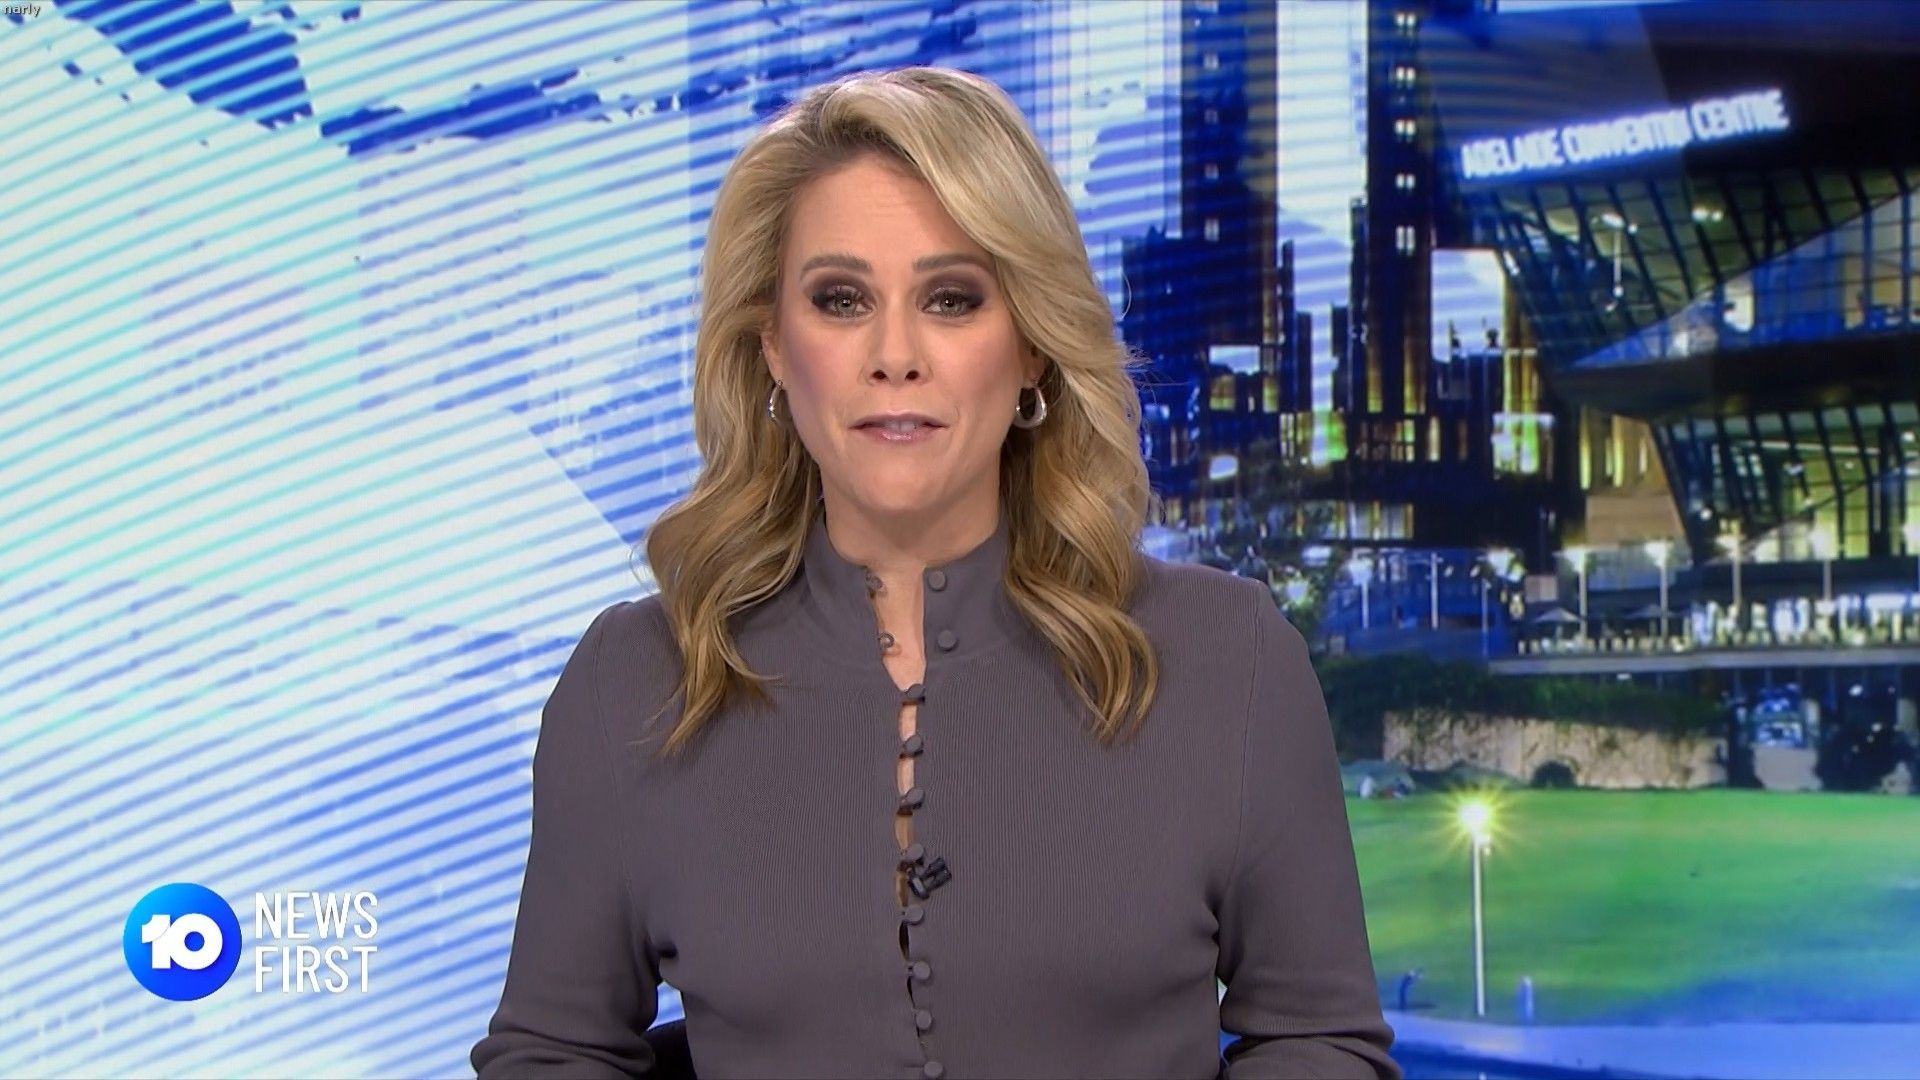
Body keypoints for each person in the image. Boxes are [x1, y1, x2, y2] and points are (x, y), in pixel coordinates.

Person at [470, 65, 1401, 1080]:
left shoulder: (1228, 660)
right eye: (840, 300)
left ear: (1032, 346)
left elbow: (1320, 1041)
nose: (895, 354)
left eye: (952, 299)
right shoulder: (637, 681)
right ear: (773, 345)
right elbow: (551, 1054)